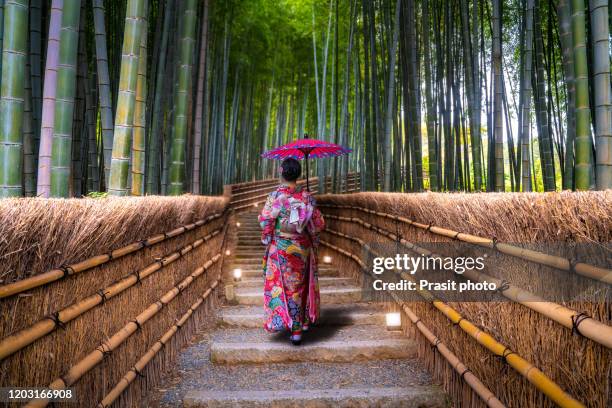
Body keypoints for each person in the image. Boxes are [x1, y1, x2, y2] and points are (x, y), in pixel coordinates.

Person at [258, 157, 325, 345]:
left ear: (281, 171)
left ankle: (288, 324)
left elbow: (265, 221)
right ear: (299, 173)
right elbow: (319, 223)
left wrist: (267, 235)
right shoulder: (307, 197)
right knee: (300, 286)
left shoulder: (274, 197)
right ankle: (301, 323)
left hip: (280, 246)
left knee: (282, 286)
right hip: (301, 247)